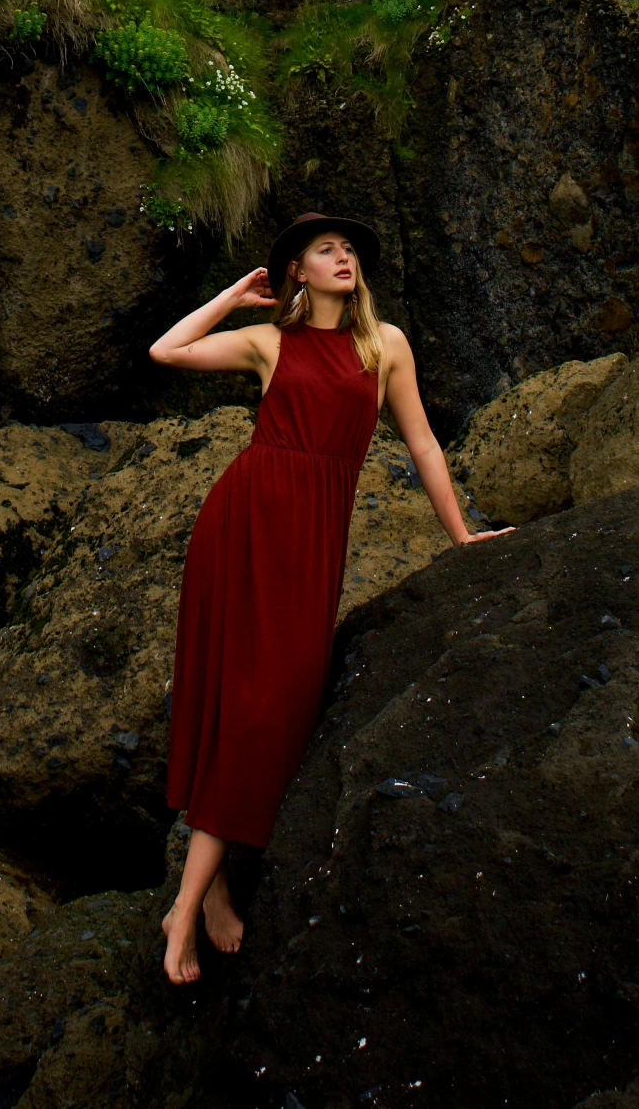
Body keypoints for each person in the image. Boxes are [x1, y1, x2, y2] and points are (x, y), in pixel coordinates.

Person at [149, 210, 511, 985]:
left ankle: (209, 886)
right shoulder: (269, 341)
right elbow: (166, 349)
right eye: (326, 249)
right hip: (244, 519)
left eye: (350, 248)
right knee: (234, 701)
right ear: (298, 272)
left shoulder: (384, 347)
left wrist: (461, 536)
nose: (343, 256)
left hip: (312, 537)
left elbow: (421, 442)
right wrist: (232, 294)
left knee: (272, 705)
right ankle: (187, 907)